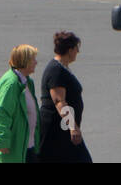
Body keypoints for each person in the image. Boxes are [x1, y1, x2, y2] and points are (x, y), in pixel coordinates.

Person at [0, 44, 41, 163]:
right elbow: (1, 115)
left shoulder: (27, 81)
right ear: (25, 61)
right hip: (13, 149)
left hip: (26, 146)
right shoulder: (11, 84)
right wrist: (2, 142)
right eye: (33, 59)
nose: (36, 62)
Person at [38, 31, 91, 163]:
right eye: (76, 48)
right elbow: (59, 101)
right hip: (56, 131)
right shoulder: (56, 71)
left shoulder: (63, 68)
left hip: (64, 130)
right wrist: (73, 127)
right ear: (70, 50)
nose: (78, 52)